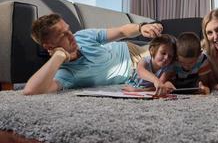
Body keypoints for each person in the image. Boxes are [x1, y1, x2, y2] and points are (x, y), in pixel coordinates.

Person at [23, 13, 164, 95]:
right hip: (134, 73)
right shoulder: (66, 74)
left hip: (131, 51)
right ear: (49, 46)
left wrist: (141, 27)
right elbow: (30, 91)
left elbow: (121, 31)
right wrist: (59, 56)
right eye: (63, 35)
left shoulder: (83, 36)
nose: (71, 36)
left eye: (69, 30)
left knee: (174, 53)